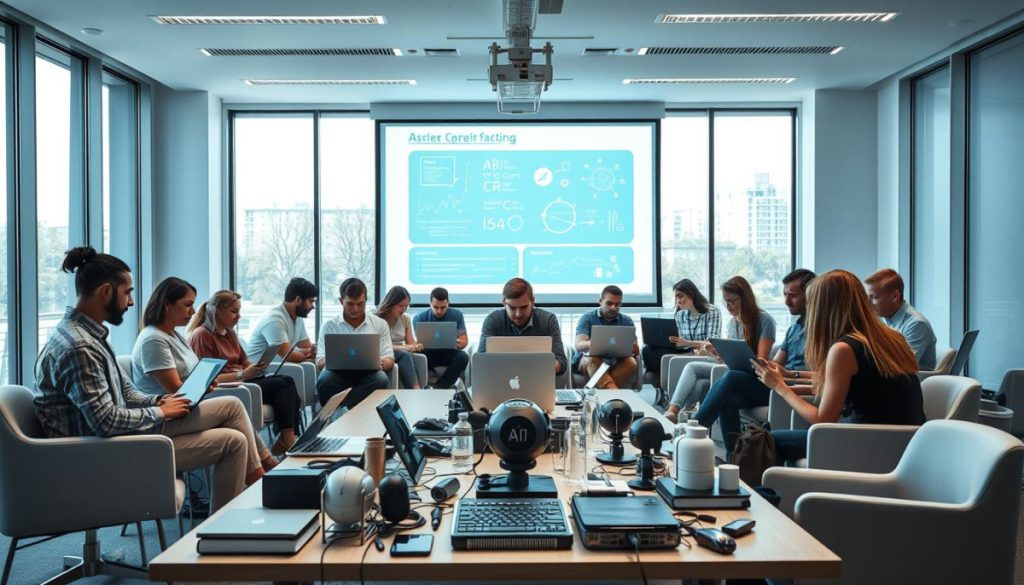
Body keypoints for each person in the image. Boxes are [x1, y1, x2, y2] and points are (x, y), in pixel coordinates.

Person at [33, 247, 263, 512]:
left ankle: (242, 508)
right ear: (106, 292)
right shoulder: (80, 347)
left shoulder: (89, 337)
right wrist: (160, 412)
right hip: (98, 454)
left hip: (116, 440)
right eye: (127, 292)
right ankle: (254, 497)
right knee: (233, 437)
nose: (131, 302)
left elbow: (127, 392)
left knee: (233, 421)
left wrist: (159, 401)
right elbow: (105, 421)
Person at [754, 270, 925, 464]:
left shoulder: (844, 349)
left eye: (811, 304)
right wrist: (787, 379)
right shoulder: (890, 338)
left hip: (870, 444)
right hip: (907, 445)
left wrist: (780, 387)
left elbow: (823, 420)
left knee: (764, 441)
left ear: (823, 308)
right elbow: (856, 387)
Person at [131, 277, 279, 468]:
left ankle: (263, 468)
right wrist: (205, 383)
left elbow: (191, 380)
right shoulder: (153, 340)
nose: (193, 311)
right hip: (164, 418)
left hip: (185, 409)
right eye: (187, 305)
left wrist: (206, 382)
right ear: (167, 304)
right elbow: (178, 391)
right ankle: (265, 467)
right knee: (233, 406)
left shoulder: (175, 336)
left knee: (236, 435)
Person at [688, 270, 817, 454]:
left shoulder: (820, 332)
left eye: (793, 295)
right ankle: (735, 456)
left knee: (731, 378)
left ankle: (694, 431)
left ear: (811, 295)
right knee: (729, 400)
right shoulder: (793, 330)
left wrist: (788, 375)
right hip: (777, 385)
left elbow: (822, 377)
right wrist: (761, 364)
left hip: (792, 390)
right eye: (784, 295)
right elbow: (775, 363)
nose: (787, 302)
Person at [188, 289, 303, 454]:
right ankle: (288, 439)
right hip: (228, 387)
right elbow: (207, 378)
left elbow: (244, 361)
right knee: (281, 384)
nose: (239, 317)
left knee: (287, 380)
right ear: (217, 312)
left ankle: (288, 437)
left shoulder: (230, 334)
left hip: (243, 382)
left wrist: (255, 368)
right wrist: (243, 374)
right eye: (234, 312)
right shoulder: (202, 336)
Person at [667, 276, 777, 424]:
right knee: (693, 368)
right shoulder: (733, 322)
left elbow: (761, 362)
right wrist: (719, 353)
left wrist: (734, 359)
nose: (728, 306)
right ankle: (673, 410)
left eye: (731, 302)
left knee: (729, 377)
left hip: (755, 377)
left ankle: (697, 425)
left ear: (745, 298)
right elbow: (733, 356)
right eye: (725, 302)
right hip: (734, 369)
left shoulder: (765, 321)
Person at [316, 278, 394, 408]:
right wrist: (336, 359)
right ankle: (348, 411)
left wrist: (382, 362)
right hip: (337, 374)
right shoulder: (329, 326)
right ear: (341, 301)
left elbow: (389, 358)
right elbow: (319, 361)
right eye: (350, 304)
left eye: (360, 304)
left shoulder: (379, 324)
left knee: (381, 379)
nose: (356, 309)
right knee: (324, 380)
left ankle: (341, 411)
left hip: (369, 374)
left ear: (366, 300)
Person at [478, 277, 568, 376]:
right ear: (504, 303)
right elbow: (481, 361)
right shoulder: (493, 320)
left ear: (533, 301)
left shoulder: (548, 320)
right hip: (500, 378)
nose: (518, 314)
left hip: (536, 378)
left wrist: (548, 365)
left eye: (524, 307)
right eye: (512, 308)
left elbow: (561, 363)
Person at [641, 279, 722, 379]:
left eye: (680, 296)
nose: (678, 301)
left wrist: (687, 343)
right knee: (647, 350)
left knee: (663, 360)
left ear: (691, 294)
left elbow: (712, 343)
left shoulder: (712, 312)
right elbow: (680, 342)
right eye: (676, 297)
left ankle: (664, 377)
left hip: (703, 353)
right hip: (685, 351)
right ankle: (664, 377)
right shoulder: (680, 315)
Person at [864, 268, 937, 371]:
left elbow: (902, 366)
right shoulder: (887, 320)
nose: (868, 303)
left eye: (874, 298)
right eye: (868, 297)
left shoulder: (916, 324)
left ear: (895, 296)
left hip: (910, 380)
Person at [573, 285, 639, 389]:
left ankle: (605, 390)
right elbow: (579, 344)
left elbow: (635, 350)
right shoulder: (587, 318)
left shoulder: (627, 321)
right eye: (609, 303)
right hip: (589, 361)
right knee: (592, 360)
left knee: (631, 362)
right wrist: (595, 343)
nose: (613, 307)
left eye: (617, 304)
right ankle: (614, 393)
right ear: (600, 301)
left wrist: (632, 347)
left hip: (615, 362)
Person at [246, 277, 318, 366]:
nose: (313, 306)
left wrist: (310, 351)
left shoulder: (297, 318)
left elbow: (307, 347)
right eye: (311, 301)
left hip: (278, 366)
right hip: (258, 368)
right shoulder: (274, 319)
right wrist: (308, 354)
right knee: (311, 364)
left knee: (314, 364)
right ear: (298, 300)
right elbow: (289, 356)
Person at [412, 287, 470, 389]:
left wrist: (456, 341)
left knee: (463, 357)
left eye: (443, 307)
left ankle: (440, 387)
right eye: (435, 307)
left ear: (448, 304)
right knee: (414, 357)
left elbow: (464, 342)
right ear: (430, 304)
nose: (439, 311)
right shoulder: (419, 318)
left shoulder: (457, 315)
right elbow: (419, 342)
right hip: (428, 353)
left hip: (449, 352)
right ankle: (433, 386)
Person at [375, 286, 422, 389]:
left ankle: (419, 387)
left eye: (406, 306)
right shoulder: (377, 319)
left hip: (402, 352)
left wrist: (416, 346)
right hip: (383, 353)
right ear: (391, 304)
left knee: (410, 355)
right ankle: (415, 388)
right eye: (401, 306)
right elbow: (379, 346)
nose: (404, 309)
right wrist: (404, 347)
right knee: (404, 354)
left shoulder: (405, 318)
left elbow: (410, 342)